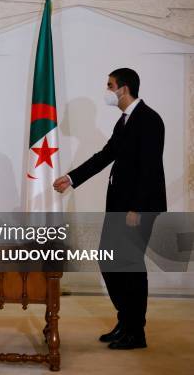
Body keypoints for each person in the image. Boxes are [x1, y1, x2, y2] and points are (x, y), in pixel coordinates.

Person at [53, 68, 166, 349]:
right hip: (119, 207)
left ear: (123, 89)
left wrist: (136, 208)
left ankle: (136, 332)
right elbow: (106, 155)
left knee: (130, 267)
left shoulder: (149, 120)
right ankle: (125, 322)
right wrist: (71, 178)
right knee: (110, 262)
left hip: (136, 209)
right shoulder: (125, 121)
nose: (107, 90)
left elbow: (150, 168)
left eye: (110, 85)